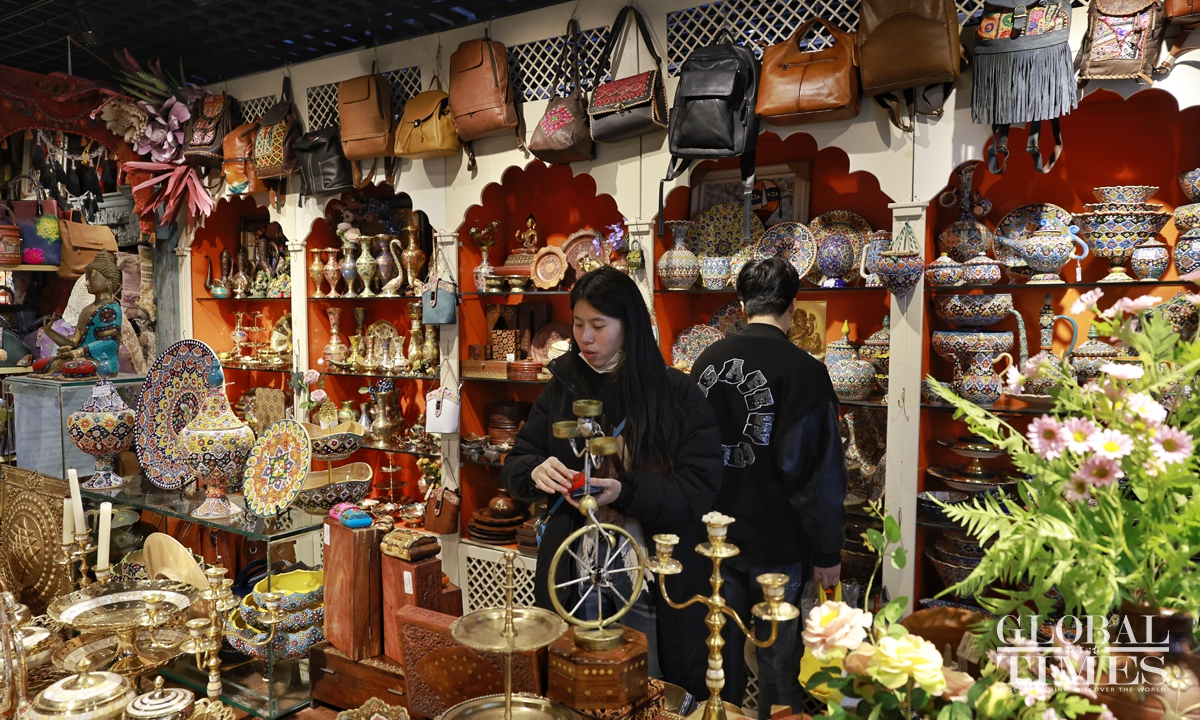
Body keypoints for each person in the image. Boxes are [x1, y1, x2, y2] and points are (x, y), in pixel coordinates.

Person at [502, 266, 723, 699]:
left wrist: (627, 491)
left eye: (599, 326)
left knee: (645, 682)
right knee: (578, 680)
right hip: (573, 562)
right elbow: (517, 462)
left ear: (629, 326)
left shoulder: (675, 394)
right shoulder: (562, 385)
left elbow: (699, 486)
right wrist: (535, 471)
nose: (585, 338)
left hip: (652, 569)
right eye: (578, 324)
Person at [690, 257, 847, 717]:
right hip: (778, 543)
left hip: (713, 539)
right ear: (793, 306)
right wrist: (828, 550)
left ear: (742, 304)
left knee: (717, 655)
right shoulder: (804, 371)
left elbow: (688, 451)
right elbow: (819, 473)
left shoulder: (706, 361)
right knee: (779, 666)